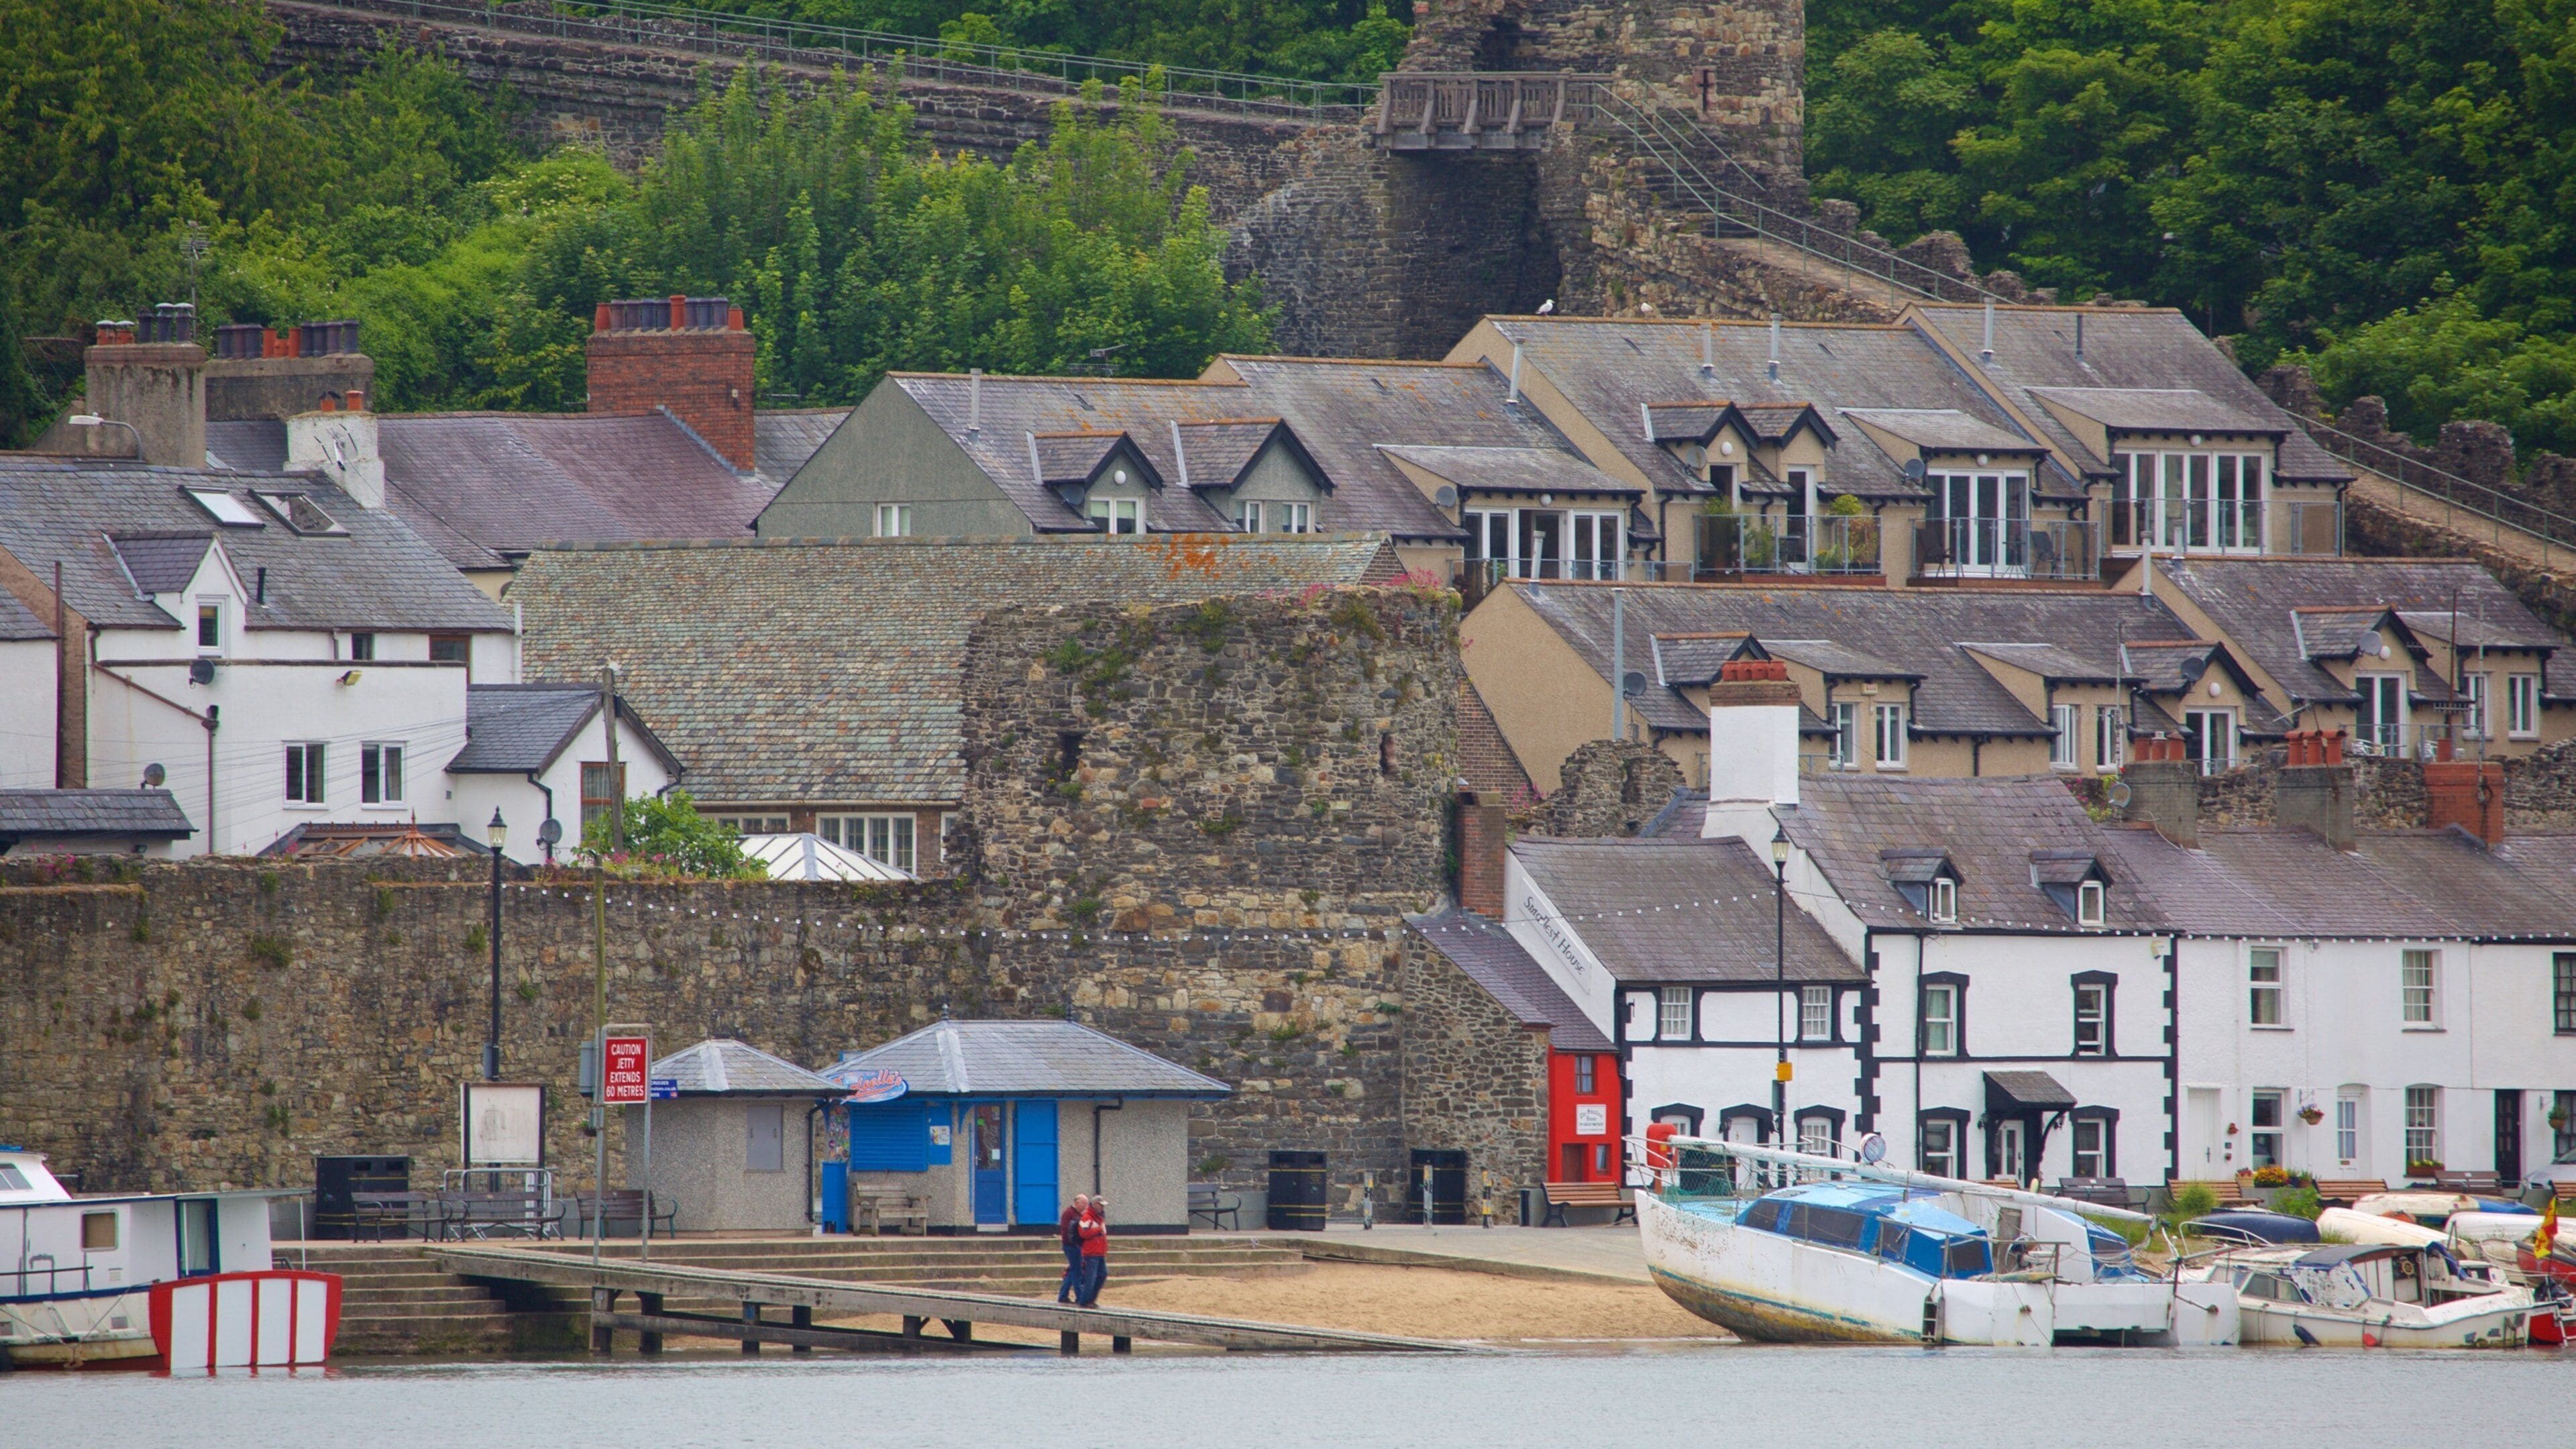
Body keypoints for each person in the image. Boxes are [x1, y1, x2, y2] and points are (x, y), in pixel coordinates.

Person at [1056, 1193, 1090, 1303]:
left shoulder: (1077, 1214)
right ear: (1077, 1203)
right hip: (1072, 1247)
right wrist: (1077, 1244)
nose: (1086, 1206)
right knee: (1077, 1272)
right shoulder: (1069, 1214)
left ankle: (1063, 1295)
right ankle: (1080, 1297)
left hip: (1074, 1246)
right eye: (1084, 1204)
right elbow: (1068, 1232)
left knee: (1072, 1271)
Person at [1075, 1195, 1110, 1306]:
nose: (1103, 1208)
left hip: (1100, 1252)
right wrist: (1098, 1230)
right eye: (1101, 1205)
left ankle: (1091, 1299)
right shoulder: (1087, 1217)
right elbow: (1083, 1233)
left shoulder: (1100, 1218)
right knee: (1090, 1279)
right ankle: (1085, 1301)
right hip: (1091, 1253)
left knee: (1102, 1275)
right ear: (1095, 1204)